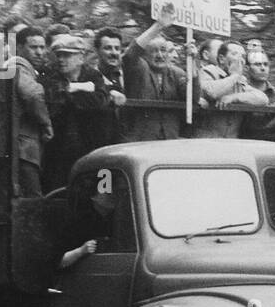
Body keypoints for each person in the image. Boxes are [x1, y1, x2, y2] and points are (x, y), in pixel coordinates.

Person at [0, 25, 54, 214]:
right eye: (34, 47)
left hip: (10, 147)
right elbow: (33, 94)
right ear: (19, 47)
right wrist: (46, 124)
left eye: (42, 47)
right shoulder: (19, 66)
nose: (40, 52)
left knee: (6, 200)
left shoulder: (10, 67)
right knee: (32, 201)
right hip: (21, 148)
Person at [122, 18, 188, 140]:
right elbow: (130, 55)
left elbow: (192, 96)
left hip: (169, 139)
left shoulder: (177, 73)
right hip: (142, 139)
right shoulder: (140, 69)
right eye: (153, 51)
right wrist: (159, 26)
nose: (160, 55)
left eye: (163, 50)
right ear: (144, 54)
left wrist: (194, 65)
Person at [42, 32, 92, 191]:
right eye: (59, 55)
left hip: (89, 147)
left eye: (67, 55)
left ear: (81, 58)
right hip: (57, 150)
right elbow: (55, 103)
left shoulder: (93, 75)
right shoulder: (49, 78)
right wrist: (81, 90)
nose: (61, 60)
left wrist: (72, 92)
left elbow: (100, 100)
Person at [73, 27, 128, 156]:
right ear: (97, 51)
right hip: (93, 148)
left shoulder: (124, 76)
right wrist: (109, 95)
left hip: (121, 147)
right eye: (108, 48)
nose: (113, 53)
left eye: (117, 48)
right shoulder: (86, 75)